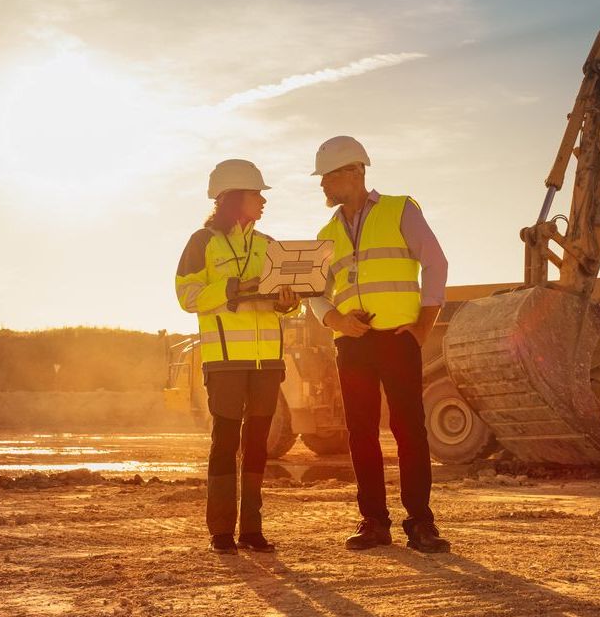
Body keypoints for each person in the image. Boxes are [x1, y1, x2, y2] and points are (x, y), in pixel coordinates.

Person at [305, 135, 451, 553]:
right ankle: (373, 522)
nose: (322, 186)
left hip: (398, 339)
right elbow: (315, 292)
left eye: (327, 177)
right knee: (361, 434)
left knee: (409, 430)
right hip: (352, 345)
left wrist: (424, 326)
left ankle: (421, 523)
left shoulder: (399, 209)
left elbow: (435, 263)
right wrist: (334, 319)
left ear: (354, 173)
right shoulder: (326, 233)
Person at [175, 159, 297, 554]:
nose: (262, 201)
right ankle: (222, 532)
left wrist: (288, 302)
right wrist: (232, 287)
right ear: (232, 198)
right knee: (225, 442)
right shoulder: (201, 242)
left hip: (267, 362)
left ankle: (252, 530)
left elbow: (288, 307)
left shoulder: (269, 245)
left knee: (258, 443)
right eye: (256, 194)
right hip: (225, 361)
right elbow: (187, 297)